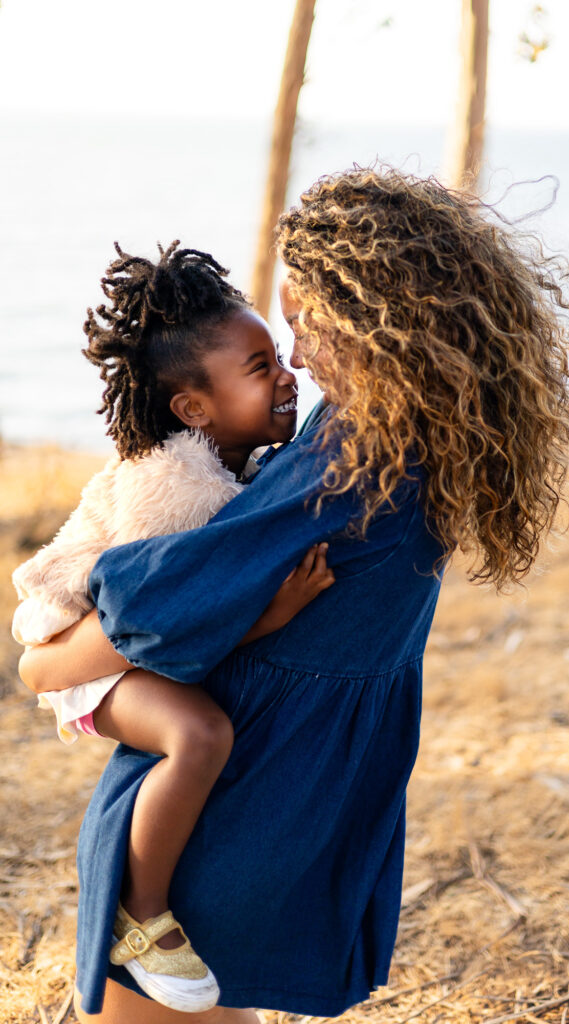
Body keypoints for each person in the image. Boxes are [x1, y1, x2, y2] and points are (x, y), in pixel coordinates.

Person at [19, 167, 569, 1024]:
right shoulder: (427, 438)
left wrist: (42, 665)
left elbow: (156, 603)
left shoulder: (345, 464)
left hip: (239, 805)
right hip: (291, 795)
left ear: (376, 320)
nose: (298, 357)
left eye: (305, 326)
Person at [12, 241, 334, 1014]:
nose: (288, 374)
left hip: (119, 649)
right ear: (194, 408)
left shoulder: (230, 461)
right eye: (261, 368)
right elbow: (178, 622)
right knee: (200, 737)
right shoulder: (179, 489)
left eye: (278, 356)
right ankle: (143, 914)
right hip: (93, 662)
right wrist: (276, 615)